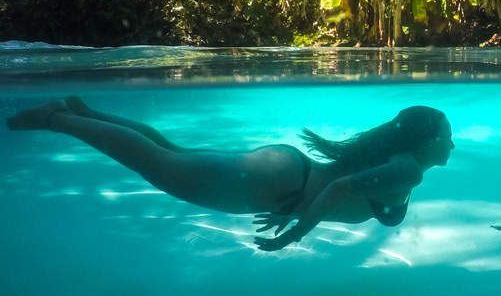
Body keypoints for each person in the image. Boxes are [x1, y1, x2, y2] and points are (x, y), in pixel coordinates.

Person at [6, 97, 454, 251]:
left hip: (286, 173)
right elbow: (339, 188)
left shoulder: (400, 162)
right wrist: (292, 236)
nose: (451, 144)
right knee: (160, 165)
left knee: (171, 154)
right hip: (280, 184)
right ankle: (57, 119)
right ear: (426, 140)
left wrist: (297, 210)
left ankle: (85, 113)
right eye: (446, 136)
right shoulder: (407, 171)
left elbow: (337, 188)